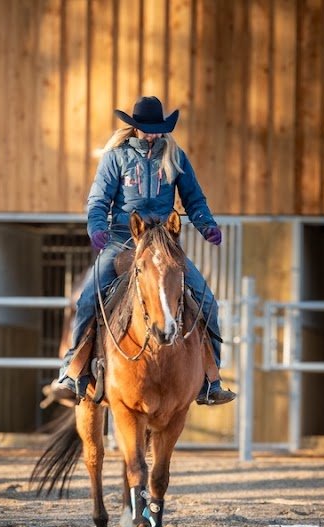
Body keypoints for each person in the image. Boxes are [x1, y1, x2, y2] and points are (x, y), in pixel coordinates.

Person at [55, 96, 236, 406]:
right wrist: (97, 229)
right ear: (135, 128)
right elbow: (98, 200)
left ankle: (210, 379)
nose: (152, 135)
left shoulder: (176, 157)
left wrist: (207, 225)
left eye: (157, 130)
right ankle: (73, 372)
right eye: (146, 129)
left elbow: (194, 199)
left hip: (163, 241)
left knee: (208, 302)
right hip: (123, 238)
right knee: (87, 298)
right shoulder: (116, 157)